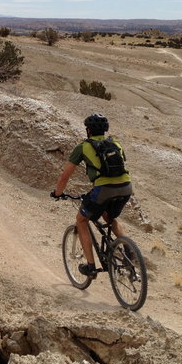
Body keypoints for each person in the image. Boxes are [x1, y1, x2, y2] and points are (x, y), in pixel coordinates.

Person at [51, 113, 133, 277]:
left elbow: (65, 176)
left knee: (81, 220)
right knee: (110, 217)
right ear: (105, 130)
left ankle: (91, 267)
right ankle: (129, 249)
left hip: (103, 189)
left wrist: (58, 193)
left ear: (88, 130)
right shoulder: (115, 143)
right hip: (126, 188)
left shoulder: (83, 146)